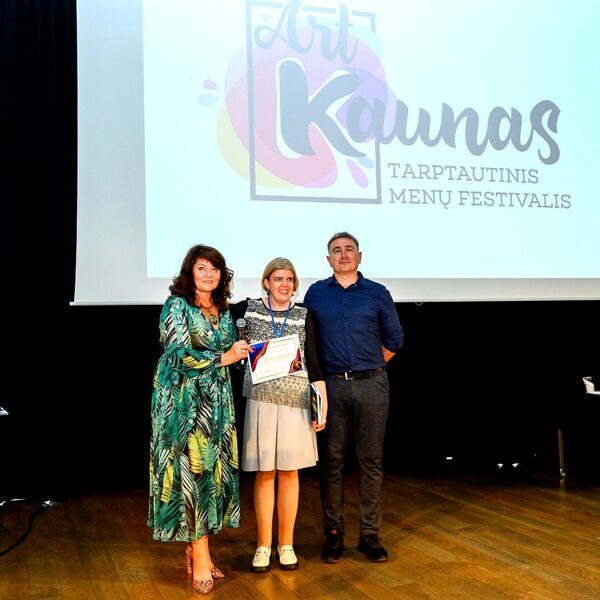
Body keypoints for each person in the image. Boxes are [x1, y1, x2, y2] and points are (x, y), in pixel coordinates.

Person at [148, 244, 252, 595]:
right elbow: (177, 355)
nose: (209, 274)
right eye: (201, 268)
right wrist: (224, 357)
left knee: (211, 475)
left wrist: (245, 354)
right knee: (190, 476)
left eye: (215, 268)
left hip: (217, 404)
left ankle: (198, 547)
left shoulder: (222, 310)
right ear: (189, 273)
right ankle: (202, 556)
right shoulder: (176, 305)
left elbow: (229, 354)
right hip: (182, 404)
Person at [303, 232, 404, 563]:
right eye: (336, 250)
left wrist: (371, 365)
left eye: (349, 249)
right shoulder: (316, 294)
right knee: (331, 462)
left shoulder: (377, 293)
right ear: (328, 259)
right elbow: (306, 340)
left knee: (370, 461)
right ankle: (333, 533)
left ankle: (369, 534)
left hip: (373, 385)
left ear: (359, 256)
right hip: (331, 387)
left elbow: (395, 339)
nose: (343, 254)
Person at [231, 257, 328, 572]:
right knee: (265, 472)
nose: (284, 285)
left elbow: (314, 361)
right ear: (266, 283)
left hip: (295, 403)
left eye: (289, 279)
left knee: (289, 472)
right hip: (261, 402)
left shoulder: (304, 315)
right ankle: (263, 545)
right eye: (278, 279)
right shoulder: (248, 311)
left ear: (295, 285)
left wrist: (321, 404)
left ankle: (286, 545)